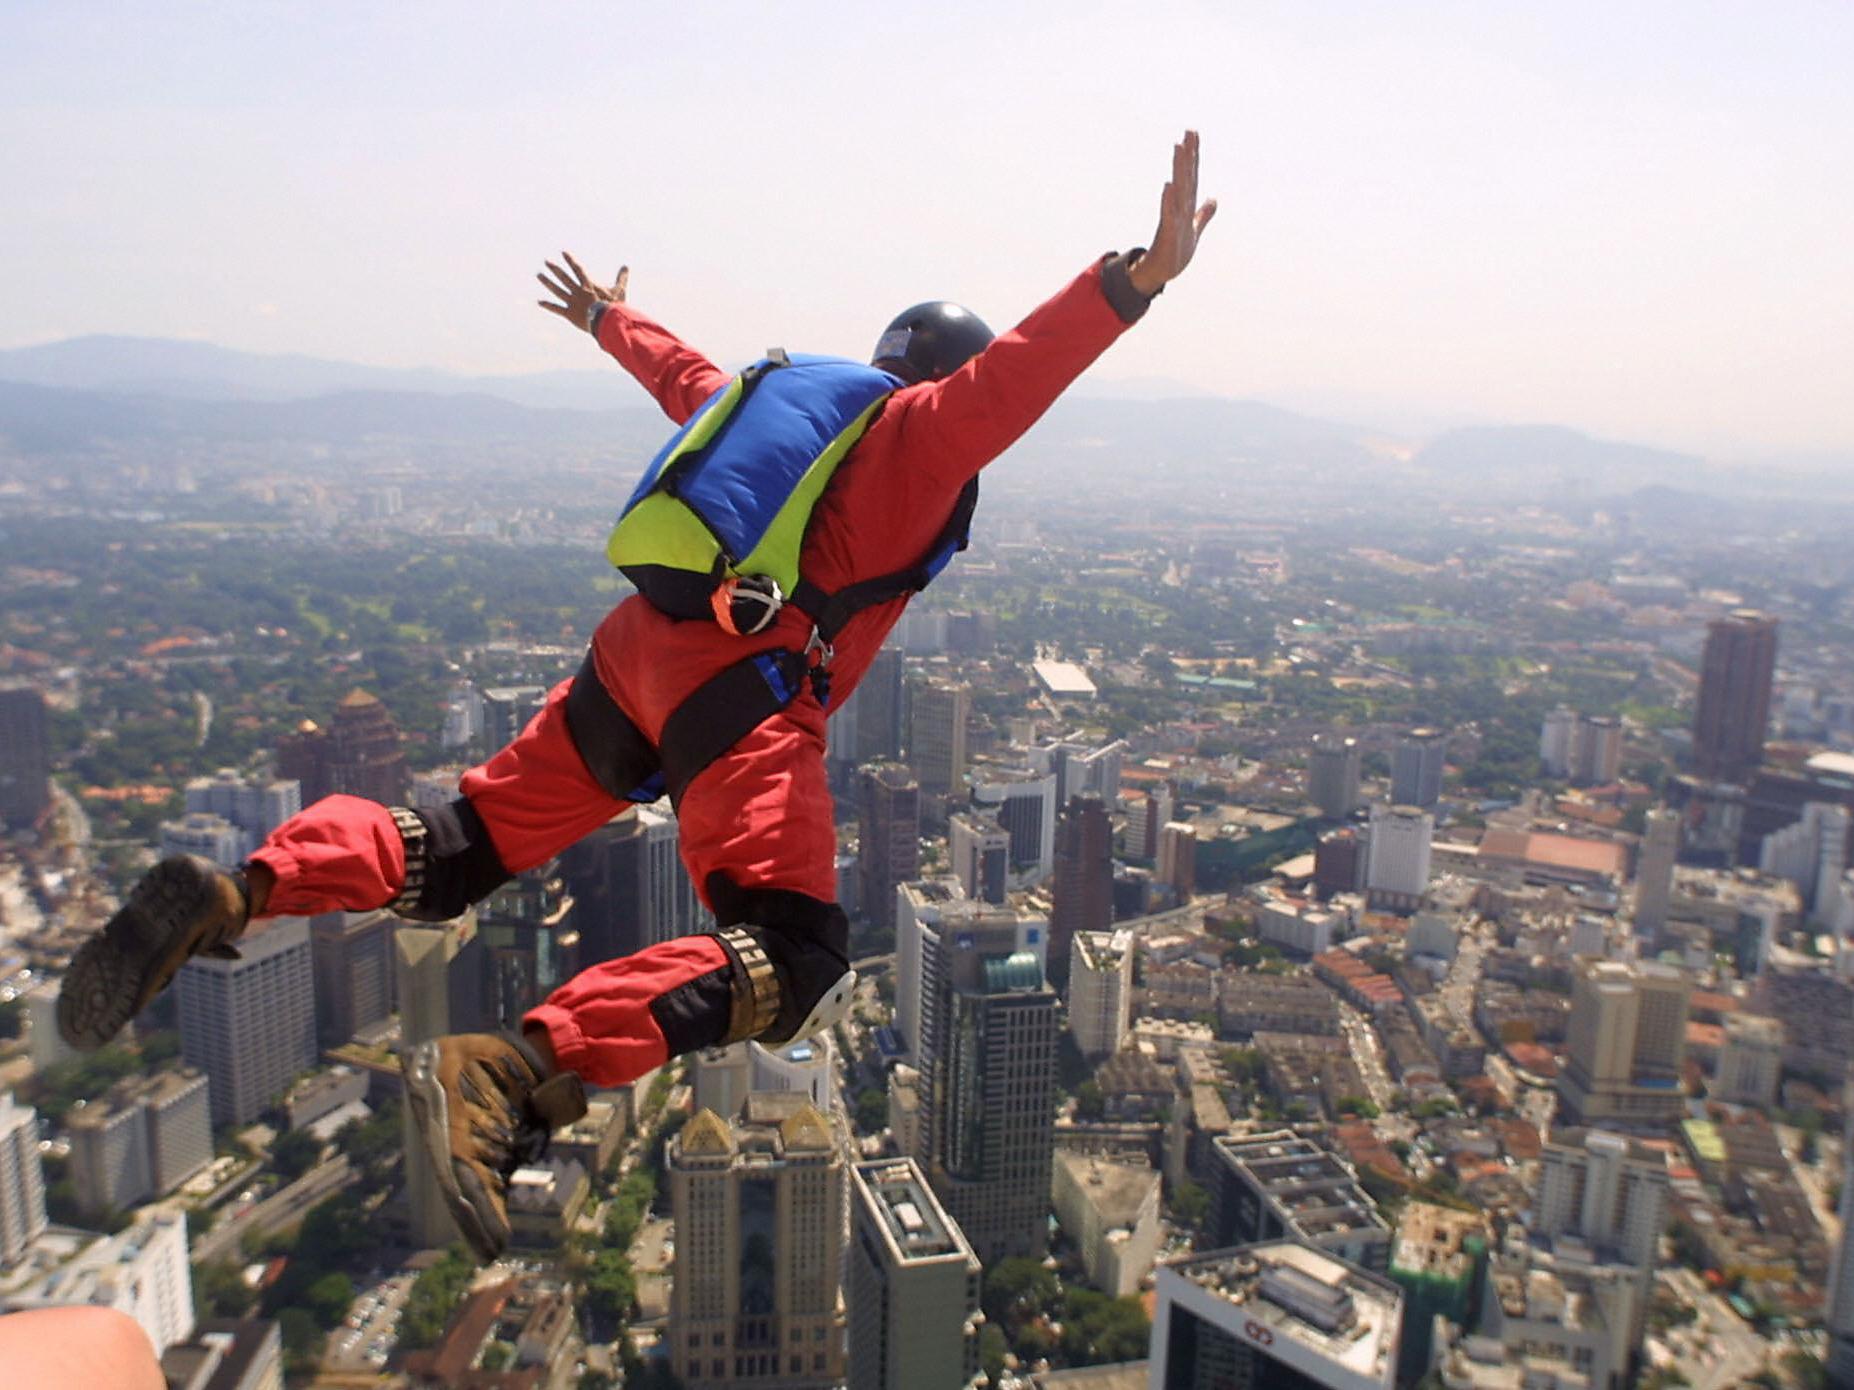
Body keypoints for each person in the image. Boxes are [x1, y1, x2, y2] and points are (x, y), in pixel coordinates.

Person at [61, 131, 1216, 1262]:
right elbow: (1019, 375)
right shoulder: (920, 435)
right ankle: (514, 1067)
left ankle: (238, 887)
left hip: (635, 656)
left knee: (456, 844)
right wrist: (1134, 283)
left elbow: (686, 378)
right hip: (745, 694)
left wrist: (612, 316)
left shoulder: (791, 417)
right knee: (793, 954)